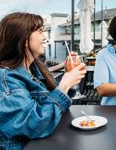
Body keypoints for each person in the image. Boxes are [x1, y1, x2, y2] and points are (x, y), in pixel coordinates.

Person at [0, 12, 86, 149]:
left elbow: (51, 106)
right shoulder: (5, 78)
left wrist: (69, 80)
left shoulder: (34, 69)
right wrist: (64, 85)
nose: (45, 37)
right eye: (40, 31)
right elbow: (34, 125)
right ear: (24, 39)